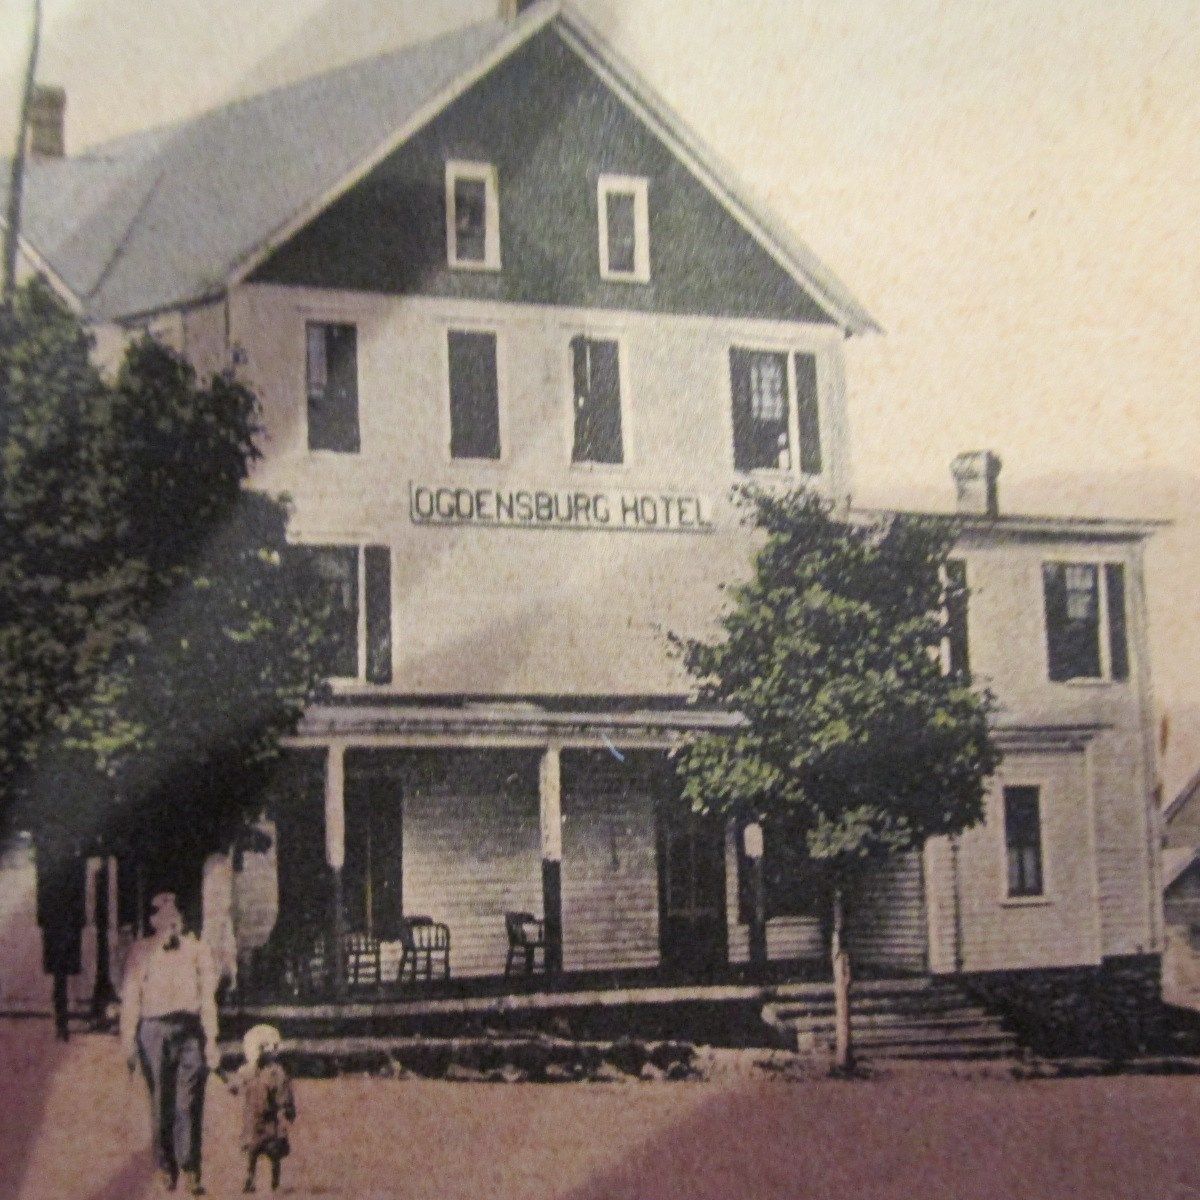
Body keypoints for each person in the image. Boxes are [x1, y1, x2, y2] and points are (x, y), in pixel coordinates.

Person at [119, 891, 221, 1195]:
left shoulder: (199, 951)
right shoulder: (141, 952)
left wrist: (212, 1039)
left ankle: (190, 1167)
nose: (171, 924)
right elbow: (130, 1000)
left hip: (189, 1032)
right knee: (161, 1102)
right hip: (154, 1032)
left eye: (175, 918)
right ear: (154, 922)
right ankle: (165, 1165)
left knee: (188, 1102)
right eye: (164, 919)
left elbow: (208, 999)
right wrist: (128, 1042)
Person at [230, 1024, 296, 1193]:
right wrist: (232, 1084)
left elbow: (283, 1094)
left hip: (271, 1120)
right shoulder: (248, 1070)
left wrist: (286, 1111)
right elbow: (235, 1085)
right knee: (252, 1150)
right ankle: (249, 1179)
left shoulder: (277, 1073)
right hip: (253, 1119)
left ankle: (275, 1182)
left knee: (274, 1152)